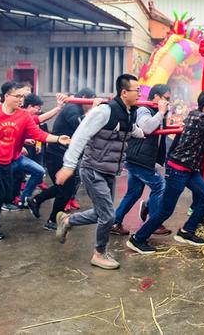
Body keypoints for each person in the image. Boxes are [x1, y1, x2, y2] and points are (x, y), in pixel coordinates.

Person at [54, 74, 144, 270]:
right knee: (108, 217)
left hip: (109, 170)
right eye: (137, 90)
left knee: (101, 213)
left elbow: (131, 129)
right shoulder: (104, 111)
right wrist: (68, 166)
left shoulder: (130, 112)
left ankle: (68, 220)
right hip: (93, 168)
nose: (140, 93)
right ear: (124, 92)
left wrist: (140, 132)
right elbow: (80, 135)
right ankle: (99, 253)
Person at [126, 90, 204, 254]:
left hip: (190, 169)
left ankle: (187, 231)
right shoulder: (201, 119)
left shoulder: (195, 115)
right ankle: (138, 238)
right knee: (165, 210)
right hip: (178, 170)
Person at [0, 81, 70, 240]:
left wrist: (58, 138)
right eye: (17, 96)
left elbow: (38, 134)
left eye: (22, 96)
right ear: (6, 96)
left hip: (8, 160)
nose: (21, 100)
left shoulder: (23, 115)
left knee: (7, 196)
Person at [27, 88, 97, 230]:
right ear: (84, 98)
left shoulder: (76, 108)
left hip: (64, 154)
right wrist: (93, 110)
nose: (91, 104)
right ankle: (52, 220)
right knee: (65, 189)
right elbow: (81, 125)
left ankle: (37, 200)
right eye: (91, 101)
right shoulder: (72, 108)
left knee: (63, 187)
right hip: (57, 154)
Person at [112, 84, 171, 236]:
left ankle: (115, 222)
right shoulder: (143, 109)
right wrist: (162, 111)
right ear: (156, 97)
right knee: (160, 185)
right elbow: (147, 128)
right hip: (138, 158)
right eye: (166, 99)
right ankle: (154, 222)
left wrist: (164, 112)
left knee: (133, 193)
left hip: (141, 158)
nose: (167, 102)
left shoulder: (157, 110)